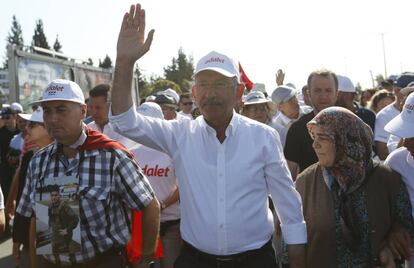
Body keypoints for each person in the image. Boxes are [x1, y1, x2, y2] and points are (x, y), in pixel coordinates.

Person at [110, 4, 307, 268]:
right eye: (203, 85)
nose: (210, 93)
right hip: (195, 259)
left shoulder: (263, 137)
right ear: (193, 94)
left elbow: (287, 203)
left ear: (238, 92)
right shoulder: (179, 133)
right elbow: (124, 121)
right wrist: (124, 63)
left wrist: (297, 256)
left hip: (255, 260)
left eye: (219, 84)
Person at [16, 79, 160, 267]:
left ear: (83, 111)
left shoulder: (111, 156)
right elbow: (33, 218)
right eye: (47, 111)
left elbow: (150, 206)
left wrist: (146, 256)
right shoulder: (38, 161)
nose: (52, 119)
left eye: (61, 109)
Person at [296, 106, 414, 267]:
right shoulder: (305, 183)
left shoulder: (386, 179)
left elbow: (406, 227)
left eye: (323, 137)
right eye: (314, 136)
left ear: (345, 139)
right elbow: (292, 240)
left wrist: (390, 242)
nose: (314, 145)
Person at [131, 102, 181, 268]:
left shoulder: (173, 151)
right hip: (141, 225)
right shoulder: (130, 151)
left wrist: (162, 205)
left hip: (171, 225)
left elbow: (183, 187)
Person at [284, 69, 338, 179]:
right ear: (309, 94)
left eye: (328, 90)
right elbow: (290, 174)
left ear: (337, 93)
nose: (323, 96)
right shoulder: (297, 130)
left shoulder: (352, 125)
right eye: (318, 90)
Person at [385, 91, 414, 268]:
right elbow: (381, 207)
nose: (406, 143)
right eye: (405, 135)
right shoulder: (396, 162)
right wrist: (394, 226)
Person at [374, 73, 414, 160]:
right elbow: (383, 153)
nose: (411, 97)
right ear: (396, 90)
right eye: (410, 94)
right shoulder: (384, 115)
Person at [87, 83, 136, 148]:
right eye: (90, 107)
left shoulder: (124, 130)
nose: (93, 112)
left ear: (111, 106)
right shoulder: (88, 129)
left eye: (98, 108)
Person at [48, 186, 79, 254]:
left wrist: (67, 230)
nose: (54, 197)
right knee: (55, 254)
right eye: (52, 195)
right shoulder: (50, 206)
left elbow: (75, 219)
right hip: (54, 237)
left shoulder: (64, 206)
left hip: (64, 239)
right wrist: (50, 228)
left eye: (56, 195)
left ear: (59, 196)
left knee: (64, 256)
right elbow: (50, 219)